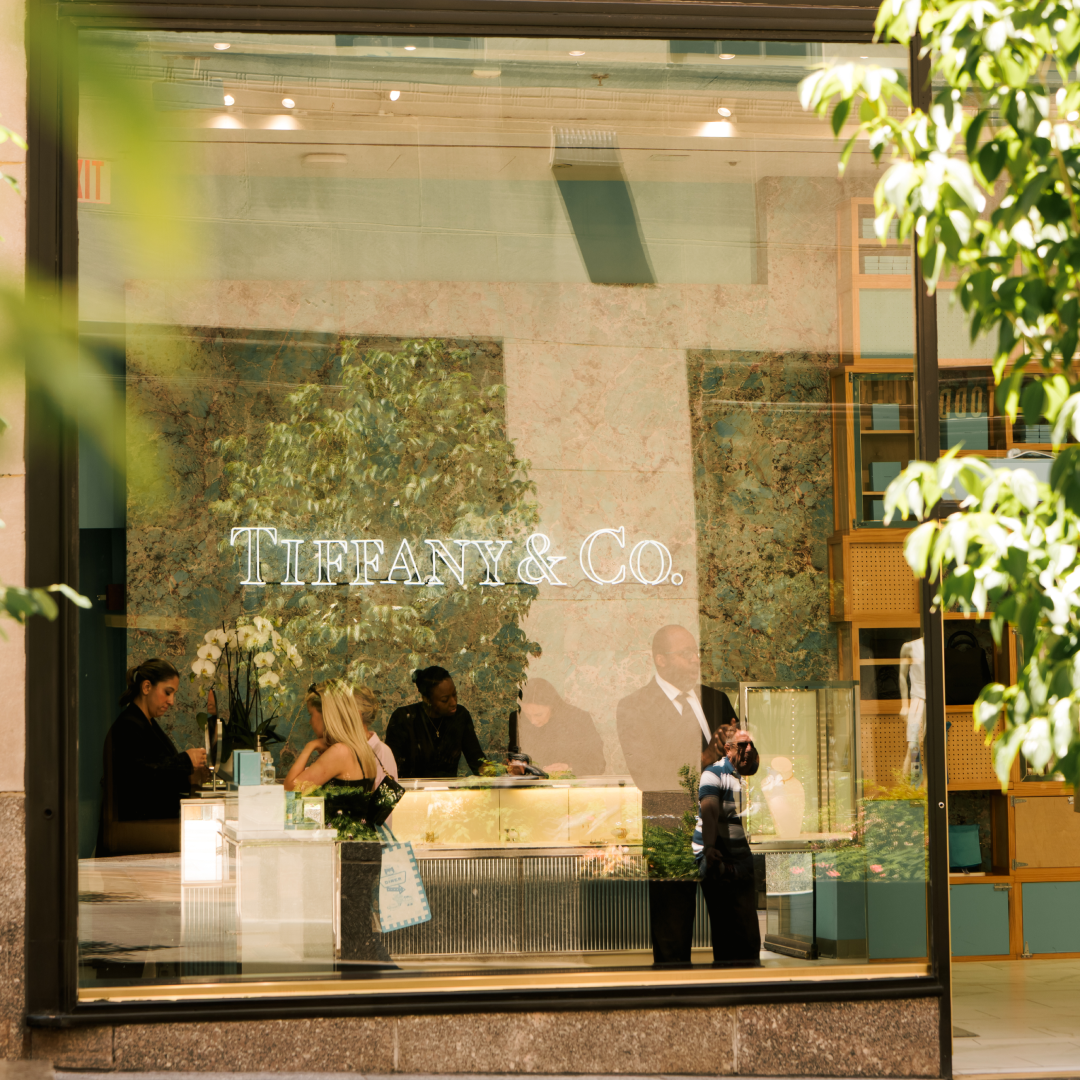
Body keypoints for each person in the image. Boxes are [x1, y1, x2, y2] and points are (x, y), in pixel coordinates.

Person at [615, 625, 740, 794]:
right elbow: (646, 776)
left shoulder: (716, 698)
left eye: (697, 653)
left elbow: (748, 764)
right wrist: (705, 758)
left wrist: (739, 749)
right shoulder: (634, 707)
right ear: (661, 660)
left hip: (725, 808)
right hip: (670, 810)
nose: (696, 660)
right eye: (686, 653)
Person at [102, 658, 208, 826]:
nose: (171, 701)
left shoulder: (146, 723)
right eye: (168, 692)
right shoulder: (128, 727)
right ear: (146, 687)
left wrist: (190, 777)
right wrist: (186, 761)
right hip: (137, 830)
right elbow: (141, 779)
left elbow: (160, 774)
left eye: (173, 694)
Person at [692, 727, 761, 967]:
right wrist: (710, 848)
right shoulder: (714, 774)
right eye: (742, 745)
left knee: (746, 929)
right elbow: (710, 813)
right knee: (728, 927)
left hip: (738, 859)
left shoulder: (738, 776)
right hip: (721, 858)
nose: (749, 749)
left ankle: (745, 973)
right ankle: (730, 975)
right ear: (727, 749)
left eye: (751, 744)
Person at [384, 666, 492, 778]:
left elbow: (476, 758)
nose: (453, 702)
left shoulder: (460, 716)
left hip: (448, 788)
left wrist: (495, 771)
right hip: (411, 788)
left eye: (454, 694)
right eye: (445, 700)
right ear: (427, 699)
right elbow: (390, 767)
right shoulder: (404, 718)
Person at [284, 680, 379, 792]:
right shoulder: (362, 748)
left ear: (325, 714)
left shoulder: (340, 751)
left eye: (311, 714)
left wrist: (310, 746)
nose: (310, 722)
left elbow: (290, 788)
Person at [514, 678, 606, 776]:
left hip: (570, 783)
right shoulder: (518, 720)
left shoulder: (579, 719)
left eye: (539, 715)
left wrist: (569, 768)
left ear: (552, 706)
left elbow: (598, 763)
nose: (533, 721)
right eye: (527, 714)